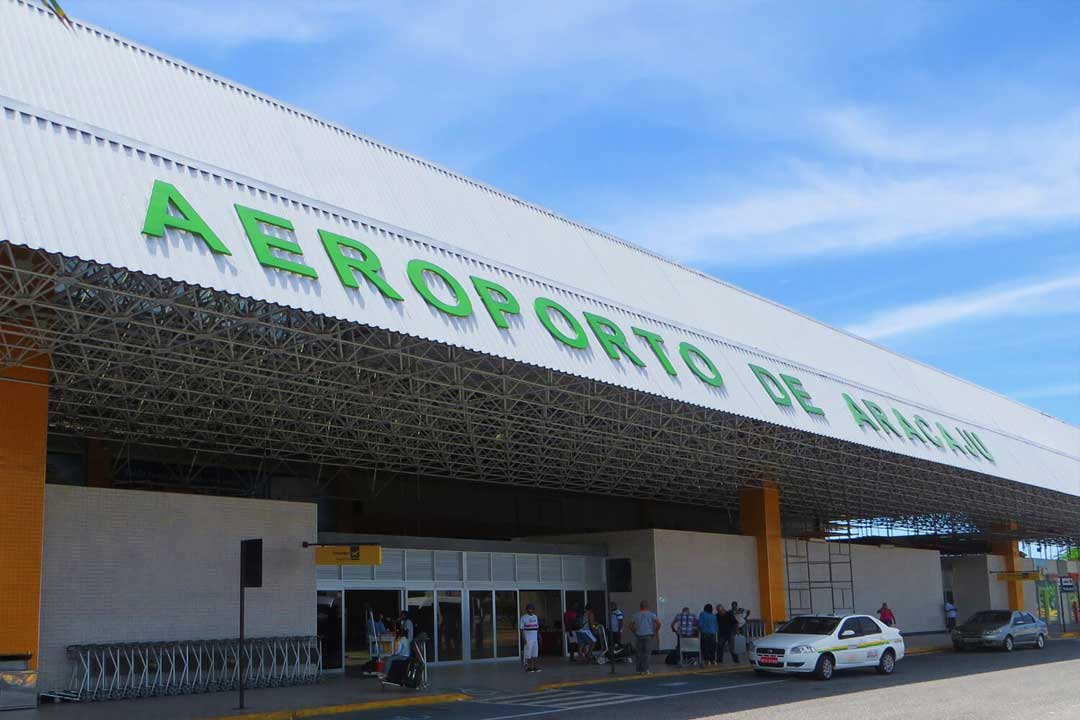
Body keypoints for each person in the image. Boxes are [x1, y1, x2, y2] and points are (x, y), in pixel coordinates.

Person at [628, 600, 661, 675]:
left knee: (639, 653)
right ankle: (646, 670)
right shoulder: (652, 614)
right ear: (647, 606)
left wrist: (635, 632)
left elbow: (630, 626)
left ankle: (639, 670)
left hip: (639, 636)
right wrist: (655, 631)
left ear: (640, 606)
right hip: (648, 635)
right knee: (647, 654)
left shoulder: (635, 615)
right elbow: (658, 623)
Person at [519, 602, 541, 672]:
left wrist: (539, 636)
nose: (530, 610)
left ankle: (534, 667)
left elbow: (537, 628)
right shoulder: (523, 617)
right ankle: (528, 667)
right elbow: (521, 629)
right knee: (528, 654)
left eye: (532, 608)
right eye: (529, 608)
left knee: (535, 653)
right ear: (527, 609)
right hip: (528, 638)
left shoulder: (535, 617)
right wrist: (523, 639)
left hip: (535, 638)